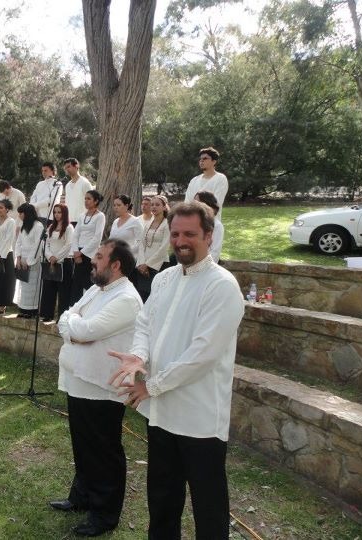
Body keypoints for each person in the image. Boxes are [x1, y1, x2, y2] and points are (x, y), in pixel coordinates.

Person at [108, 202, 245, 539]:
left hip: (199, 418)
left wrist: (151, 386)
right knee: (162, 499)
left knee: (208, 506)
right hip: (162, 414)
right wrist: (138, 356)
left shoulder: (222, 285)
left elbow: (202, 355)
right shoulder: (165, 278)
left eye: (190, 234)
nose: (181, 241)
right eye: (175, 234)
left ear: (209, 236)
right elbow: (144, 324)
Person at [50, 238, 143, 537]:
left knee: (103, 450)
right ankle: (82, 497)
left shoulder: (126, 299)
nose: (93, 259)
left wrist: (72, 325)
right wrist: (72, 325)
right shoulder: (97, 289)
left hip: (101, 386)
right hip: (80, 381)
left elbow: (87, 330)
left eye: (100, 256)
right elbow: (68, 315)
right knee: (83, 444)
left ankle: (104, 514)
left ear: (116, 265)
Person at [69, 190, 105, 306]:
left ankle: (88, 307)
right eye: (85, 198)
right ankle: (74, 307)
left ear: (96, 201)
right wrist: (76, 251)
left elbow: (97, 237)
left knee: (88, 282)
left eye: (89, 199)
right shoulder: (82, 216)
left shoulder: (100, 216)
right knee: (76, 283)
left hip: (90, 254)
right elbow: (76, 234)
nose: (86, 201)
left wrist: (82, 253)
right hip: (78, 252)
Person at [39, 203, 74, 322]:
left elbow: (68, 245)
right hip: (51, 262)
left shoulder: (69, 228)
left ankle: (62, 317)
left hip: (63, 262)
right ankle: (47, 314)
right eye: (55, 212)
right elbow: (46, 243)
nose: (57, 214)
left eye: (59, 212)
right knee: (48, 289)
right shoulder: (51, 227)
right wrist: (49, 256)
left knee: (63, 291)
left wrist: (57, 257)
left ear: (64, 213)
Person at [134, 195, 170, 303]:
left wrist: (148, 264)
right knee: (142, 296)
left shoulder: (167, 224)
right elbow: (142, 243)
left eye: (157, 205)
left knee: (155, 296)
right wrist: (141, 262)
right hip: (143, 265)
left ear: (164, 207)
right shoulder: (149, 222)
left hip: (159, 264)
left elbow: (164, 247)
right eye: (152, 204)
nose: (154, 207)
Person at [14, 203, 44, 318]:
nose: (20, 216)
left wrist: (28, 261)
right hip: (22, 260)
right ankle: (23, 309)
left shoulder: (38, 226)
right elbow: (18, 242)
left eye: (21, 213)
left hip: (33, 260)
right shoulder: (24, 226)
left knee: (32, 286)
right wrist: (18, 258)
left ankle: (32, 311)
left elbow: (37, 245)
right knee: (23, 285)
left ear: (27, 213)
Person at [184, 147, 228, 220]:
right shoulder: (194, 180)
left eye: (205, 158)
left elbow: (216, 203)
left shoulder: (221, 179)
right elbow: (187, 203)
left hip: (212, 222)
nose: (201, 161)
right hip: (193, 222)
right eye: (200, 159)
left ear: (214, 161)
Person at [109, 195, 144, 267]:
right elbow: (110, 240)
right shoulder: (115, 221)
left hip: (128, 259)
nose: (116, 207)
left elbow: (141, 242)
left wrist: (127, 251)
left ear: (126, 206)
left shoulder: (135, 221)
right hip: (114, 259)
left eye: (119, 205)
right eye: (114, 205)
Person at [194, 190, 225, 263]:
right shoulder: (191, 223)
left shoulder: (217, 226)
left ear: (207, 205)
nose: (194, 206)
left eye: (198, 203)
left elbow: (215, 254)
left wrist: (196, 267)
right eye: (194, 203)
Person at [61, 158, 93, 227]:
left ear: (76, 166)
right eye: (65, 168)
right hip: (69, 221)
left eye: (69, 167)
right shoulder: (67, 186)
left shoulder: (85, 183)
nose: (67, 170)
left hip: (83, 221)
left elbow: (92, 202)